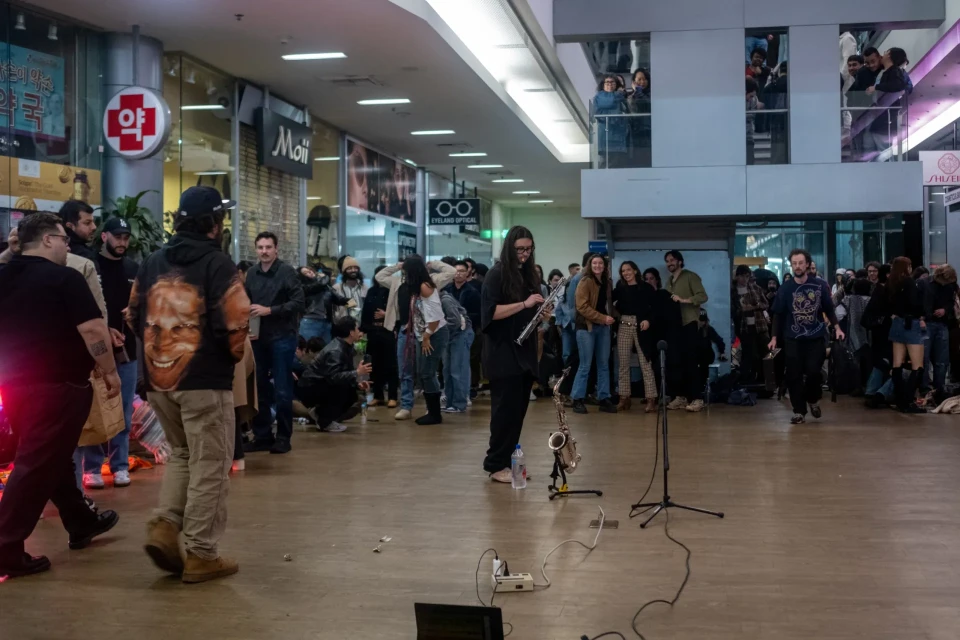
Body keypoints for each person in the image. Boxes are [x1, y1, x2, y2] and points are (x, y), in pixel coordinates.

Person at [127, 186, 250, 582]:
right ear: (214, 224)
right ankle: (200, 552)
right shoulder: (219, 264)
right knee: (212, 463)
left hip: (158, 380)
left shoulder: (152, 261)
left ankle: (165, 525)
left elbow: (132, 313)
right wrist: (227, 358)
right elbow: (236, 323)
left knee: (182, 455)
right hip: (205, 381)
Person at [0, 213, 120, 579]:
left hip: (15, 386)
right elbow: (92, 328)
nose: (68, 247)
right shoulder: (64, 278)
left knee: (46, 456)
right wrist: (111, 371)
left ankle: (79, 520)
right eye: (64, 240)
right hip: (59, 387)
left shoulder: (3, 274)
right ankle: (5, 547)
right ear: (49, 240)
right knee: (35, 463)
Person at [77, 218, 140, 490]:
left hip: (127, 350)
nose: (122, 242)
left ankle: (120, 465)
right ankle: (92, 467)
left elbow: (145, 303)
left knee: (124, 411)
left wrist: (135, 311)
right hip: (96, 349)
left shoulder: (133, 268)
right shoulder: (91, 265)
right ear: (104, 237)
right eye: (118, 237)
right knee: (96, 409)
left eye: (126, 237)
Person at [481, 226, 545, 482]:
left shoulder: (528, 275)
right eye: (520, 249)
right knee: (503, 413)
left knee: (517, 414)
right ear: (510, 248)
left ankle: (508, 462)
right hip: (502, 353)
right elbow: (490, 314)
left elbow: (529, 315)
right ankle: (495, 464)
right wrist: (525, 304)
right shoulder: (495, 275)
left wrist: (541, 313)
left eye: (529, 249)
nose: (525, 254)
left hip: (524, 355)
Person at [244, 231, 305, 454]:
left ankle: (283, 437)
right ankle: (262, 436)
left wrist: (270, 310)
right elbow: (246, 300)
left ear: (276, 249)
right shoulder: (251, 273)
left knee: (282, 389)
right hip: (257, 337)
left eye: (268, 247)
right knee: (259, 388)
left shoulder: (287, 272)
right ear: (256, 249)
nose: (264, 251)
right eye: (260, 247)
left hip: (282, 337)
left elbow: (299, 302)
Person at [768, 249, 844, 424]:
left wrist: (837, 327)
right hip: (792, 339)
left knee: (813, 372)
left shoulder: (819, 285)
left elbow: (828, 309)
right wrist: (773, 338)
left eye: (801, 263)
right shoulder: (785, 288)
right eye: (794, 263)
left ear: (808, 264)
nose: (798, 266)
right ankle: (799, 411)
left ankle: (813, 399)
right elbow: (778, 315)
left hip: (815, 337)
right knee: (793, 375)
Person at [376, 258, 455, 420]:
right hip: (408, 330)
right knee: (408, 369)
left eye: (406, 269)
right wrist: (396, 266)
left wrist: (433, 264)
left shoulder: (428, 283)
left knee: (426, 372)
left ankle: (432, 410)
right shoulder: (399, 283)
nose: (404, 272)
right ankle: (408, 406)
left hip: (428, 332)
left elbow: (452, 273)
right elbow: (380, 276)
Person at [298, 316, 371, 433]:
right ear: (351, 332)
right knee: (345, 392)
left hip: (318, 385)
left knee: (353, 394)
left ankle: (320, 414)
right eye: (357, 329)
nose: (360, 332)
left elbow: (343, 373)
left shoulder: (345, 347)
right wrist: (357, 373)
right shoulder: (336, 350)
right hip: (311, 388)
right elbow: (334, 377)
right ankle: (324, 420)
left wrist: (358, 384)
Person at [402, 255, 450, 425]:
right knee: (424, 373)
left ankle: (435, 414)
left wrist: (427, 336)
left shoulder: (425, 287)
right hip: (426, 333)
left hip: (433, 334)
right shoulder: (419, 287)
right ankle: (433, 412)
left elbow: (435, 317)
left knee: (428, 373)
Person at [664, 250, 709, 412]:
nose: (669, 263)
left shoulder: (690, 276)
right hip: (674, 326)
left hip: (689, 323)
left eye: (672, 260)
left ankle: (697, 398)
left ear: (680, 261)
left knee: (691, 362)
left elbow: (703, 296)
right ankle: (681, 397)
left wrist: (684, 300)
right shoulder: (668, 281)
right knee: (677, 363)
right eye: (667, 261)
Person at [572, 254, 617, 414]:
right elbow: (582, 307)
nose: (598, 266)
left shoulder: (607, 282)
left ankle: (604, 398)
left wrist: (610, 318)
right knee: (585, 365)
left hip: (603, 328)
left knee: (603, 364)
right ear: (590, 265)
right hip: (587, 327)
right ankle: (577, 399)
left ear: (605, 266)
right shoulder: (585, 281)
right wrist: (602, 318)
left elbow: (608, 305)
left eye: (600, 263)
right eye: (595, 263)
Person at [613, 260, 657, 412]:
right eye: (623, 271)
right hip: (624, 324)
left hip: (641, 326)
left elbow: (655, 308)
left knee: (645, 363)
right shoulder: (620, 287)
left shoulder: (646, 288)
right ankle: (624, 397)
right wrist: (615, 315)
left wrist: (648, 320)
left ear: (635, 271)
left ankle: (651, 399)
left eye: (628, 270)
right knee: (623, 363)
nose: (626, 273)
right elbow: (610, 303)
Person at [885, 256, 926, 413]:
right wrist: (922, 315)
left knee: (897, 364)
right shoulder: (909, 282)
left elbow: (887, 305)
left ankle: (900, 399)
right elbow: (915, 304)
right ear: (906, 267)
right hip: (911, 323)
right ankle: (908, 401)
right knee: (917, 365)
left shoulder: (891, 283)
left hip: (896, 323)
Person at [361, 265, 398, 408]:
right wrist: (363, 329)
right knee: (374, 365)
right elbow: (366, 313)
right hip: (372, 332)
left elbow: (399, 311)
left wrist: (386, 314)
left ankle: (393, 396)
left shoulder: (393, 291)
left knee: (391, 365)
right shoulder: (371, 291)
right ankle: (378, 395)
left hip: (388, 331)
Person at [925, 264, 958, 402]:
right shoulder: (926, 284)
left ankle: (939, 389)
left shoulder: (949, 287)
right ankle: (925, 388)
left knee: (942, 360)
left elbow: (951, 303)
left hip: (942, 324)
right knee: (924, 359)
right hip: (927, 323)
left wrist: (945, 310)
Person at [731, 265, 770, 384]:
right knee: (751, 354)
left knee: (765, 353)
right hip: (745, 327)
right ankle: (751, 378)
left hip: (759, 325)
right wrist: (742, 310)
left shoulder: (755, 288)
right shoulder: (733, 292)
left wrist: (753, 307)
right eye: (742, 276)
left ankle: (763, 379)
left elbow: (765, 304)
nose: (745, 279)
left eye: (747, 276)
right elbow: (734, 311)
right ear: (737, 276)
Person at [440, 286, 474, 413]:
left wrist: (435, 328)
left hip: (460, 334)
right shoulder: (434, 300)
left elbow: (455, 322)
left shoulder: (445, 300)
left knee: (457, 369)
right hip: (449, 336)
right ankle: (450, 402)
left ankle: (459, 404)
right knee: (447, 370)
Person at [299, 264, 350, 344]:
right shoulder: (303, 287)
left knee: (326, 351)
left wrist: (352, 302)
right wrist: (325, 277)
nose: (310, 272)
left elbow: (338, 299)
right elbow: (319, 285)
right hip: (310, 321)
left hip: (326, 322)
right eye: (306, 273)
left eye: (310, 270)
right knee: (307, 350)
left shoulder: (325, 286)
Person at [592, 73, 628, 168]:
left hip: (619, 136)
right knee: (607, 164)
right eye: (607, 82)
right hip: (607, 135)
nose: (610, 84)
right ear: (603, 84)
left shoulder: (620, 98)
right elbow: (608, 102)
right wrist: (619, 94)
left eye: (612, 82)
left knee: (618, 165)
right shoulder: (600, 96)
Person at [59, 199, 99, 265]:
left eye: (93, 222)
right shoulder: (84, 256)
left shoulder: (55, 251)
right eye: (87, 223)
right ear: (70, 226)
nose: (94, 227)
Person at [696, 311, 727, 394]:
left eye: (704, 321)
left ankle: (703, 386)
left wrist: (722, 352)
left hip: (706, 355)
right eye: (700, 321)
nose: (702, 323)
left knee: (704, 362)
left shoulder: (708, 329)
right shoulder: (693, 329)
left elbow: (719, 340)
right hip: (696, 354)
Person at [333, 256, 368, 322]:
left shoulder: (364, 287)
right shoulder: (337, 288)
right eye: (349, 268)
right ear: (344, 271)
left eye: (355, 268)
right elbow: (333, 308)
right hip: (342, 325)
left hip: (360, 326)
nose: (353, 270)